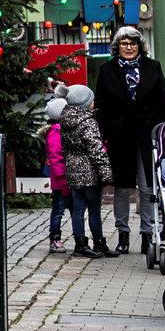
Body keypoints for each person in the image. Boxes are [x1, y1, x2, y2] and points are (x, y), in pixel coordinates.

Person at [91, 25, 165, 255]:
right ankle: (123, 233)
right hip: (120, 135)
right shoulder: (107, 70)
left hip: (148, 134)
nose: (129, 47)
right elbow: (101, 104)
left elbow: (164, 100)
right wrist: (105, 131)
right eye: (124, 44)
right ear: (117, 47)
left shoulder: (152, 67)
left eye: (133, 43)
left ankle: (148, 234)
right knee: (122, 187)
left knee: (148, 186)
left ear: (140, 46)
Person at [59, 84, 114, 257]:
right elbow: (96, 148)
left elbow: (65, 147)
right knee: (94, 208)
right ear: (84, 103)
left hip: (73, 167)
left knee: (77, 208)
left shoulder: (65, 120)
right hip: (89, 170)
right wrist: (105, 173)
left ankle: (80, 244)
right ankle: (99, 243)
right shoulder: (88, 122)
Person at [44, 97, 71, 254]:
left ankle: (79, 237)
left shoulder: (60, 130)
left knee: (70, 209)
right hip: (61, 181)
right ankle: (54, 238)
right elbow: (56, 157)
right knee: (58, 210)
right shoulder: (56, 132)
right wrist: (62, 177)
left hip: (65, 179)